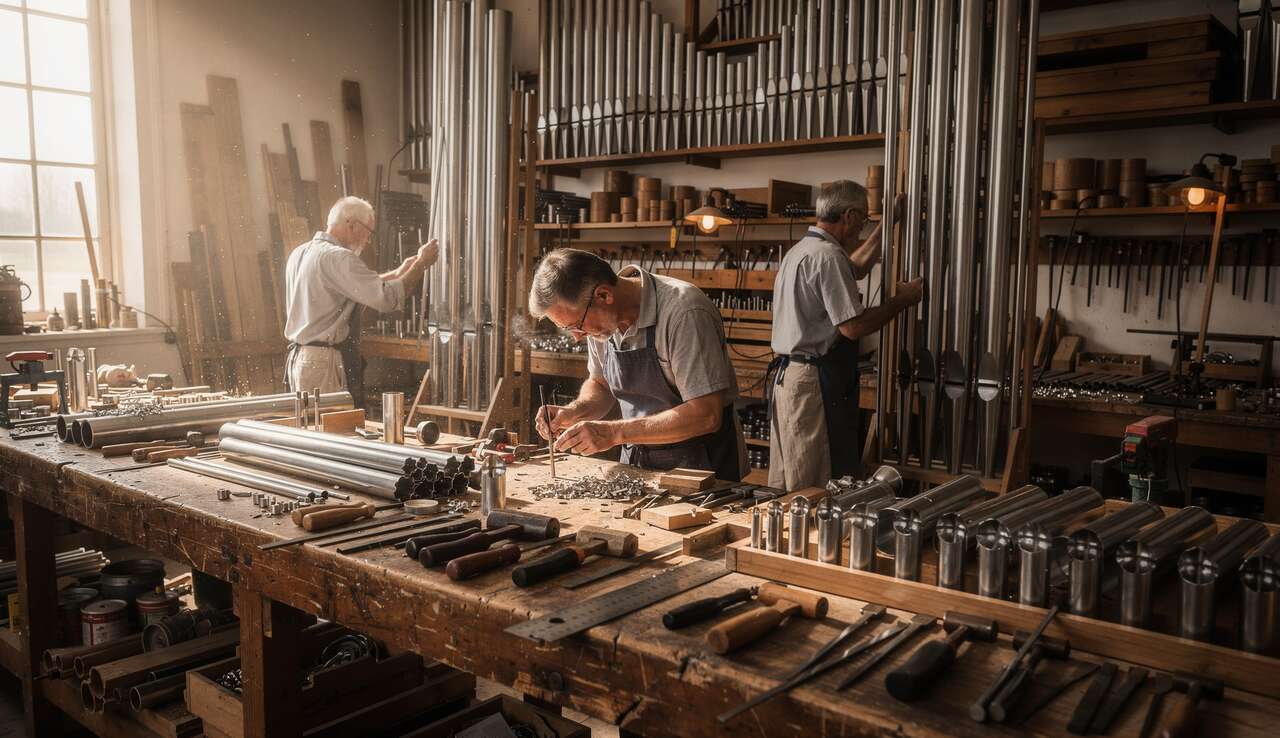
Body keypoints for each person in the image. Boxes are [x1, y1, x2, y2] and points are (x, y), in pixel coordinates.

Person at [528, 248, 747, 481]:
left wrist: (614, 433)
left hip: (701, 465)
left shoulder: (684, 312)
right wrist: (574, 411)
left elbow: (706, 415)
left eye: (576, 326)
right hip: (638, 461)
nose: (577, 337)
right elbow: (601, 384)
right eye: (568, 329)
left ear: (603, 296)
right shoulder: (602, 325)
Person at [768, 180, 923, 490]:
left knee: (792, 476)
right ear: (849, 216)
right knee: (811, 484)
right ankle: (807, 537)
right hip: (811, 382)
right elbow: (853, 327)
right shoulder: (827, 257)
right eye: (863, 220)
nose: (862, 228)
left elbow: (856, 267)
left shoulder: (803, 250)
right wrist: (902, 301)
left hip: (791, 377)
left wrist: (887, 223)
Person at [283, 196, 437, 403]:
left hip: (302, 359)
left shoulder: (300, 252)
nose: (368, 240)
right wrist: (421, 265)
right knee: (333, 431)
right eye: (368, 232)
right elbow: (387, 299)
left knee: (311, 429)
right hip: (322, 362)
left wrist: (399, 272)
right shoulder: (339, 257)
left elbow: (349, 288)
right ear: (351, 224)